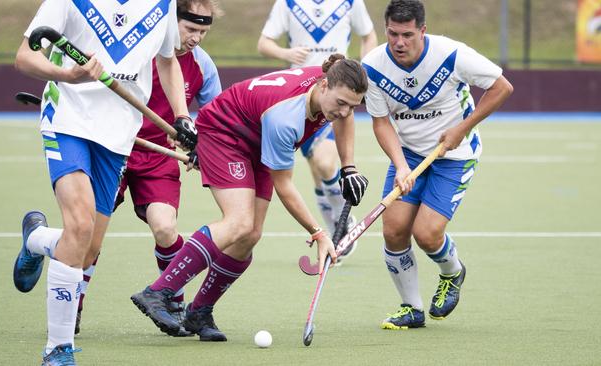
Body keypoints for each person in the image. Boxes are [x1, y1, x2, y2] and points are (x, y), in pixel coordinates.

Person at [131, 54, 370, 342]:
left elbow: (345, 120)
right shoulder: (286, 118)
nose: (345, 112)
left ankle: (200, 311)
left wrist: (349, 168)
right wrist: (318, 233)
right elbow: (284, 186)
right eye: (340, 103)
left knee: (250, 234)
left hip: (257, 138)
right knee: (239, 222)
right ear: (323, 86)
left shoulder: (331, 88)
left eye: (352, 106)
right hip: (225, 132)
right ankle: (159, 291)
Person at [12, 0, 197, 364]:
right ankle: (58, 349)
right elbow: (24, 57)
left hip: (119, 133)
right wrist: (67, 75)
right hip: (67, 118)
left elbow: (167, 60)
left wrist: (182, 115)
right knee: (79, 226)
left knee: (87, 248)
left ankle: (35, 239)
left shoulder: (163, 4)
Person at [74, 0, 223, 337]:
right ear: (172, 22)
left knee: (166, 229)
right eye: (190, 29)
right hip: (114, 146)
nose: (197, 38)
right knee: (89, 241)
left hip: (158, 157)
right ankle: (73, 306)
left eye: (203, 31)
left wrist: (203, 146)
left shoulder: (202, 65)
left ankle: (173, 305)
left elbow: (216, 118)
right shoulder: (140, 50)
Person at [360, 0, 513, 330]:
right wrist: (400, 165)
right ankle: (411, 308)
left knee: (427, 234)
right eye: (392, 34)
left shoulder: (451, 54)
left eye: (407, 35)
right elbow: (381, 122)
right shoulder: (372, 66)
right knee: (394, 229)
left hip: (455, 155)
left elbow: (502, 87)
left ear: (422, 31)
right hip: (410, 155)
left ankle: (452, 272)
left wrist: (463, 127)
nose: (399, 42)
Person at [257, 0, 378, 263]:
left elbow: (368, 34)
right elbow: (263, 43)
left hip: (338, 95)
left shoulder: (350, 2)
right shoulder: (288, 3)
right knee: (317, 171)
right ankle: (335, 232)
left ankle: (341, 225)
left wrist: (360, 70)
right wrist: (286, 54)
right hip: (303, 97)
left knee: (325, 163)